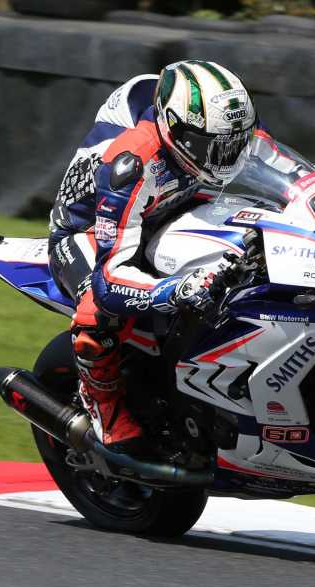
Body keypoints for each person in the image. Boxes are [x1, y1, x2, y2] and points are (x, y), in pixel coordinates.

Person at [48, 60, 272, 455]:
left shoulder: (218, 129)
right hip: (90, 231)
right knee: (96, 311)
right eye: (210, 147)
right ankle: (104, 408)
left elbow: (279, 167)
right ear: (174, 129)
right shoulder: (132, 163)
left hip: (169, 205)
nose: (225, 158)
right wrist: (178, 288)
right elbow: (110, 279)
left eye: (233, 143)